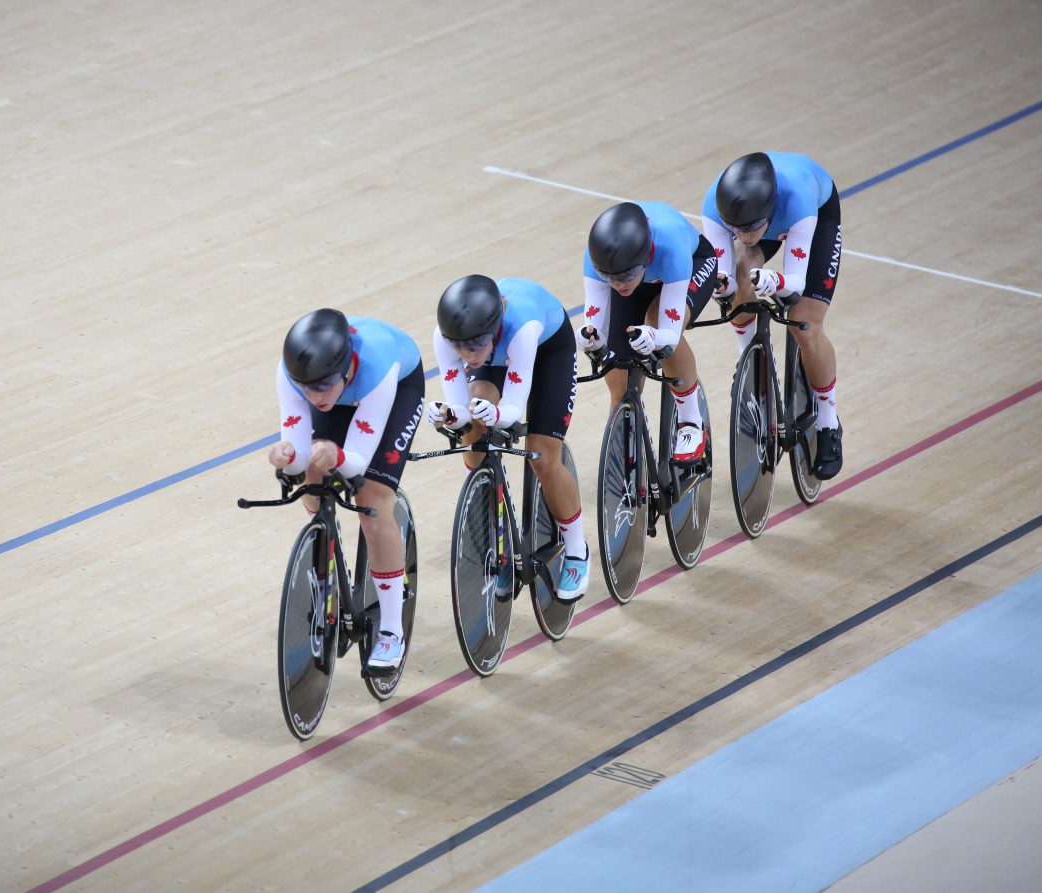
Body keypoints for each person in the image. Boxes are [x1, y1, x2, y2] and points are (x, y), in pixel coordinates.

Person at [269, 308, 425, 672]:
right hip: (349, 392)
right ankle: (327, 538)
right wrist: (285, 456)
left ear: (346, 368)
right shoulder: (296, 378)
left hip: (395, 389)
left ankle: (390, 628)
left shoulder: (375, 365)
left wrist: (337, 454)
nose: (314, 395)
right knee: (311, 472)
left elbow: (356, 459)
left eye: (322, 385)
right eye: (306, 387)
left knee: (371, 499)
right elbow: (296, 455)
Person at [426, 274, 590, 603]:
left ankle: (576, 550)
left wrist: (497, 415)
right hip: (497, 359)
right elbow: (461, 406)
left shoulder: (522, 327)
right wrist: (450, 415)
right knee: (472, 435)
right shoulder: (450, 339)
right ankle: (497, 532)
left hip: (547, 355)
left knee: (543, 457)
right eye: (459, 347)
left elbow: (514, 406)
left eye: (474, 345)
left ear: (494, 328)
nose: (467, 354)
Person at [702, 151, 844, 479]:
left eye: (751, 228)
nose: (745, 235)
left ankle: (827, 420)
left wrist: (775, 281)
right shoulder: (714, 206)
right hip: (771, 218)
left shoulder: (798, 201)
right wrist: (722, 287)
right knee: (738, 278)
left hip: (816, 217)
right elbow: (721, 278)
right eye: (736, 229)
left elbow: (795, 282)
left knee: (805, 324)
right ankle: (749, 363)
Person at [579, 202, 719, 465]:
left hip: (691, 265)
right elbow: (595, 326)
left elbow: (669, 332)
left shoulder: (671, 246)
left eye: (624, 277)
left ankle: (690, 421)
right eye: (610, 278)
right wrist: (591, 339)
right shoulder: (600, 260)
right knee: (618, 376)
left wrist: (655, 337)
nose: (618, 285)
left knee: (656, 321)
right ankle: (626, 449)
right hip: (641, 277)